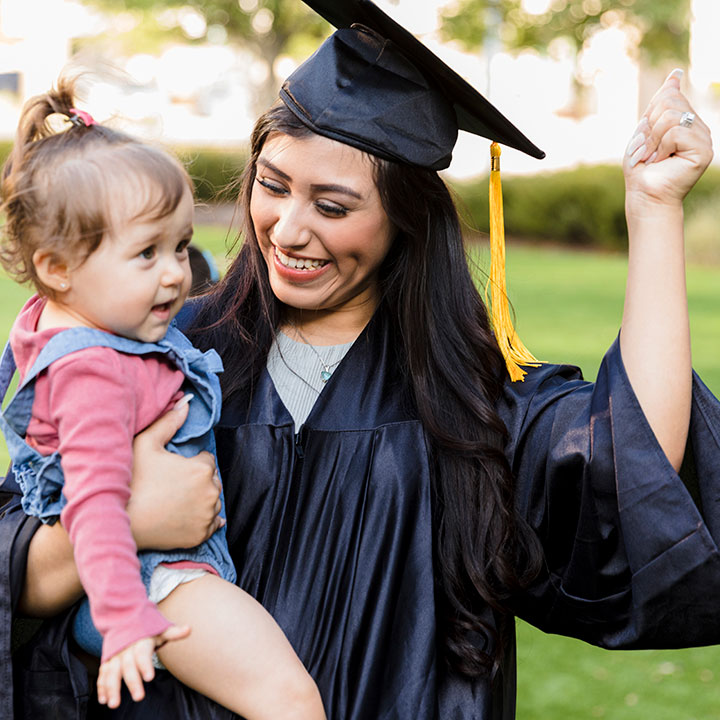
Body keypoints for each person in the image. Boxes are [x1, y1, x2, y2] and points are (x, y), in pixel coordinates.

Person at [3, 1, 720, 718]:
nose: (288, 229)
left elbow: (635, 464)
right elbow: (15, 569)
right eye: (273, 185)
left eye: (334, 206)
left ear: (403, 220)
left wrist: (652, 210)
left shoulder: (467, 400)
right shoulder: (168, 355)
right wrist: (121, 522)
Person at [0, 79, 325, 718]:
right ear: (58, 267)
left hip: (149, 575)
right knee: (289, 701)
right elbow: (94, 506)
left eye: (179, 246)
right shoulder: (92, 372)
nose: (177, 273)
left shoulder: (65, 319)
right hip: (155, 580)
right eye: (145, 252)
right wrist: (125, 621)